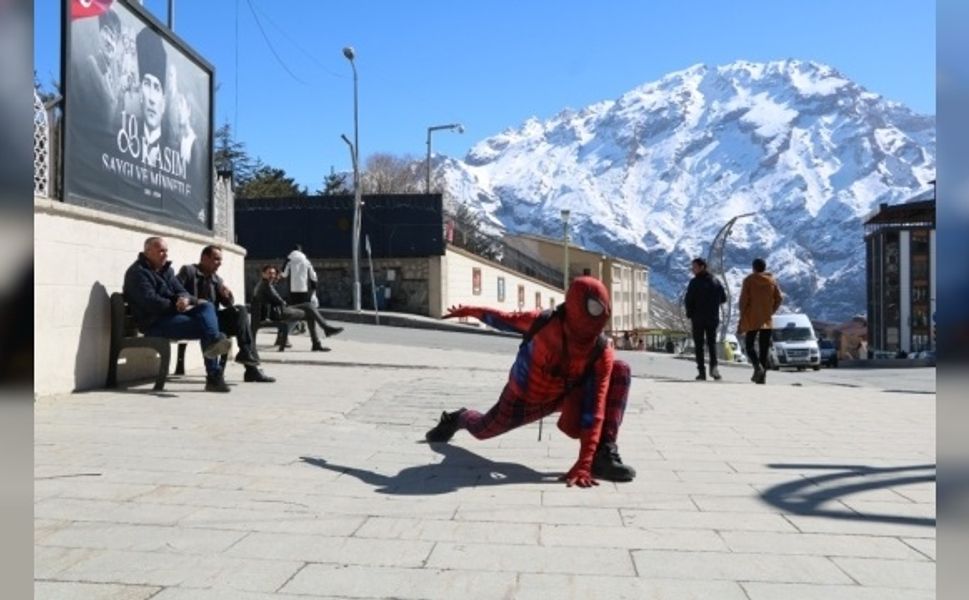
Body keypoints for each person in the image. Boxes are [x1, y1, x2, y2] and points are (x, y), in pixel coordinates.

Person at [424, 276, 637, 488]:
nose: (596, 316)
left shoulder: (601, 349)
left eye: (601, 308)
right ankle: (458, 418)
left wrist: (585, 462)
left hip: (567, 393)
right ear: (575, 305)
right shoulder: (542, 322)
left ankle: (604, 454)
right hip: (524, 396)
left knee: (620, 371)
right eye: (592, 307)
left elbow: (595, 407)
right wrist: (470, 310)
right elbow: (502, 318)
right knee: (482, 430)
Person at [123, 237, 232, 392]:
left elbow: (181, 291)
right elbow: (151, 302)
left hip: (172, 317)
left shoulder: (167, 271)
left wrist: (187, 299)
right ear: (147, 252)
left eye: (166, 251)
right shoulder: (137, 273)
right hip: (154, 323)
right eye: (161, 251)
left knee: (206, 306)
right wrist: (177, 304)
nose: (165, 254)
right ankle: (214, 375)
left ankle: (215, 341)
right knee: (208, 329)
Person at [177, 246, 275, 383]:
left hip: (215, 318)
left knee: (240, 310)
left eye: (220, 260)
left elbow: (227, 304)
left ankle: (248, 359)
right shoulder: (189, 271)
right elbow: (177, 291)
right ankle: (246, 367)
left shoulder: (216, 279)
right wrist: (194, 301)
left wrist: (227, 296)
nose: (219, 263)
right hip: (194, 318)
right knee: (218, 323)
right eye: (216, 259)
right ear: (204, 258)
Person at [252, 265, 343, 352]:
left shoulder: (263, 284)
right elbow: (280, 301)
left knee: (309, 305)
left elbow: (277, 300)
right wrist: (283, 301)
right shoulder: (266, 285)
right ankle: (319, 339)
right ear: (263, 274)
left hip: (277, 311)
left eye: (273, 273)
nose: (272, 275)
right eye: (269, 273)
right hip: (278, 313)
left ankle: (324, 331)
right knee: (310, 312)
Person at [737, 258, 783, 384]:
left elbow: (743, 301)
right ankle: (762, 378)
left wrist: (742, 314)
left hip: (752, 318)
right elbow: (779, 298)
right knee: (764, 348)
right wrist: (770, 311)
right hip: (766, 320)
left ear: (753, 268)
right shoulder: (772, 281)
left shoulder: (749, 280)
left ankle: (758, 367)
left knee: (749, 346)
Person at [684, 257, 726, 381]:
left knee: (699, 345)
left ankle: (701, 372)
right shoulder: (716, 281)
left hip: (698, 318)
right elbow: (723, 298)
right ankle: (714, 369)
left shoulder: (694, 282)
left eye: (695, 267)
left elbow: (688, 300)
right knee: (711, 344)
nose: (693, 269)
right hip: (712, 317)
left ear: (702, 267)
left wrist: (690, 313)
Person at [135, 26, 170, 170]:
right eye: (147, 84)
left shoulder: (172, 151)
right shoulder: (125, 143)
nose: (151, 99)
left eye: (157, 87)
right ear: (140, 92)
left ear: (164, 101)